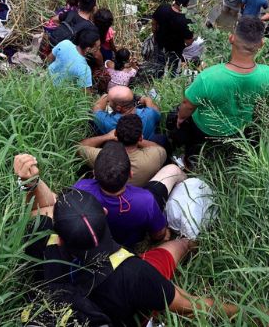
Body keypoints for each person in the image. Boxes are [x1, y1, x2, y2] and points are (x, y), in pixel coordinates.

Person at [15, 156, 253, 326]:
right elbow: (190, 305)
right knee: (172, 251)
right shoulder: (134, 272)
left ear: (58, 233)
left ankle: (185, 244)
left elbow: (44, 207)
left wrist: (32, 182)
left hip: (82, 297)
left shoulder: (44, 244)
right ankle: (188, 243)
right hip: (126, 292)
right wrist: (251, 313)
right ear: (104, 214)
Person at [174, 17, 269, 167]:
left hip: (204, 128)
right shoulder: (268, 75)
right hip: (238, 130)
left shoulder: (208, 76)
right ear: (261, 44)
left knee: (191, 139)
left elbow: (188, 105)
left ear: (231, 38)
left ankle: (189, 162)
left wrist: (181, 118)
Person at [17, 145, 184, 249]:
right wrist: (164, 235)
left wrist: (32, 181)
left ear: (95, 174)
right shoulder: (146, 199)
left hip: (101, 242)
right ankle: (187, 178)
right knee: (172, 170)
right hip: (130, 240)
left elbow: (55, 202)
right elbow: (158, 234)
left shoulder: (81, 189)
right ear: (130, 175)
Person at [78, 114, 167, 187]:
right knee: (160, 139)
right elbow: (159, 148)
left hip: (109, 189)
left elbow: (78, 147)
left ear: (116, 134)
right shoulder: (155, 155)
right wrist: (138, 139)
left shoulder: (101, 156)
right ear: (140, 137)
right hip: (138, 192)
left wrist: (107, 137)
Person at [93, 85, 164, 145]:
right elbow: (154, 108)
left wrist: (105, 96)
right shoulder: (149, 114)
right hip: (148, 148)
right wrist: (144, 99)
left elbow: (96, 108)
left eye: (109, 102)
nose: (108, 103)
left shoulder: (107, 121)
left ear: (118, 108)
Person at [151, 0, 193, 75]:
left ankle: (158, 76)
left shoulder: (162, 8)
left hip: (160, 42)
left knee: (159, 63)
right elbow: (188, 42)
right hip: (175, 50)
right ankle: (170, 80)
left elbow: (154, 23)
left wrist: (155, 35)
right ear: (187, 3)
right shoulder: (186, 20)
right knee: (173, 66)